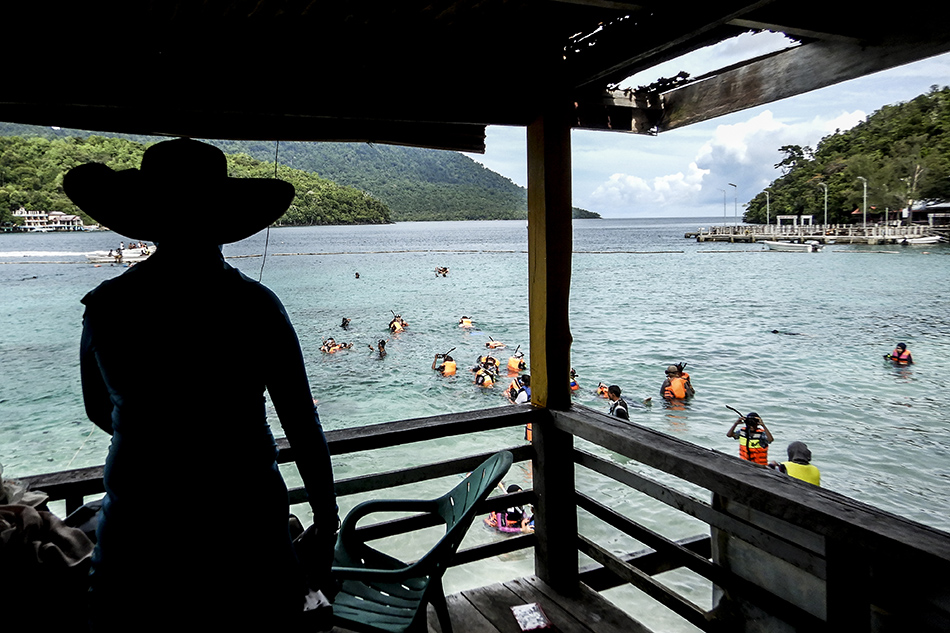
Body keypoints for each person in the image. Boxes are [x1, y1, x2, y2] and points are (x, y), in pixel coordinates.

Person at [64, 138, 338, 629]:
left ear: (148, 218)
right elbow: (300, 419)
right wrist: (325, 515)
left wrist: (158, 436)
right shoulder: (255, 306)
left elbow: (97, 410)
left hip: (138, 527)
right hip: (245, 525)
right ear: (222, 223)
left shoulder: (107, 306)